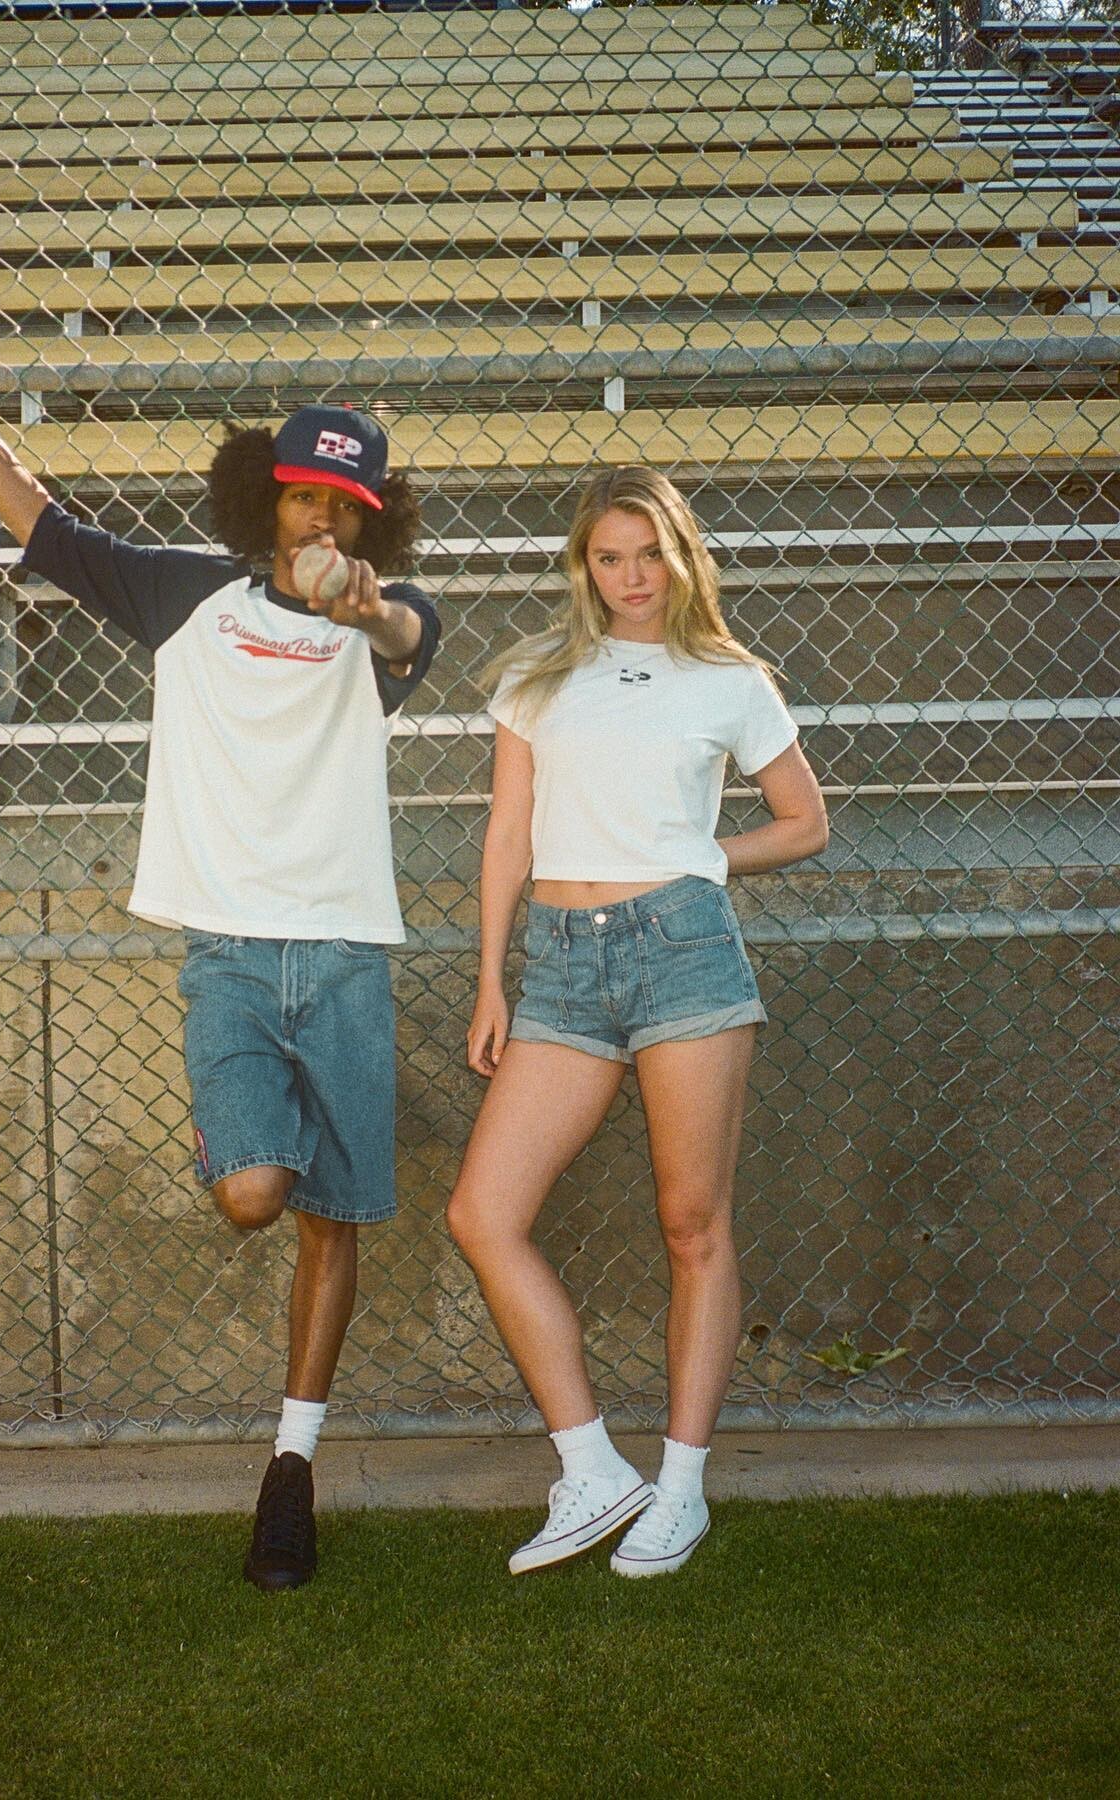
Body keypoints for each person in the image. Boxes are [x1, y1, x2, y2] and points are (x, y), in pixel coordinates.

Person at [0, 309, 439, 1592]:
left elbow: (405, 637)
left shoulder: (392, 618)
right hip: (231, 955)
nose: (321, 519)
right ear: (266, 497)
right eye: (303, 495)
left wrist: (366, 610)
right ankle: (234, 1139)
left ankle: (290, 1470)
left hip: (346, 955)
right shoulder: (188, 599)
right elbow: (43, 525)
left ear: (372, 524)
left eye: (344, 505)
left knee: (336, 1221)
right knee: (255, 1194)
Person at [447, 466, 827, 1578]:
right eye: (609, 557)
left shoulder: (730, 679)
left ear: (680, 556)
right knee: (483, 1213)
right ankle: (591, 1469)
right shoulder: (536, 677)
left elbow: (805, 822)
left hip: (683, 953)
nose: (632, 576)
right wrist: (491, 979)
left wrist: (703, 861)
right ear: (585, 567)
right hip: (562, 967)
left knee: (692, 1225)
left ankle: (682, 1486)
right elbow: (508, 832)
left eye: (650, 554)